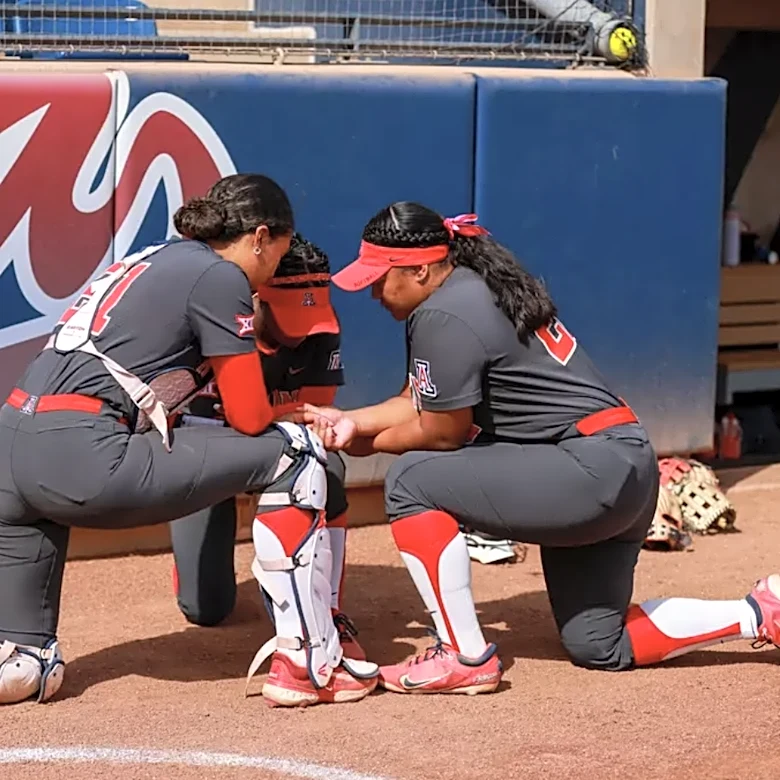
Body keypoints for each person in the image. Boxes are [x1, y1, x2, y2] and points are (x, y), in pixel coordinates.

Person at [302, 200, 780, 695]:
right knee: (599, 644)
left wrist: (362, 442)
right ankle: (758, 612)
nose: (374, 291)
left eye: (381, 277)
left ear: (421, 269)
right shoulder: (468, 288)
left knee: (410, 480)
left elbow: (441, 432)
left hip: (585, 470)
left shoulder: (443, 311)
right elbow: (419, 401)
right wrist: (352, 422)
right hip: (621, 465)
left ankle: (463, 656)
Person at [0, 174, 377, 708]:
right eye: (281, 249)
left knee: (24, 667)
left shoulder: (151, 257)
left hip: (11, 450)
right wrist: (297, 412)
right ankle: (309, 663)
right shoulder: (219, 275)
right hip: (80, 450)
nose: (275, 264)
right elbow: (250, 419)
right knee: (295, 453)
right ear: (261, 236)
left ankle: (25, 655)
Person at [169, 232, 365, 661]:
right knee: (206, 609)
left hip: (276, 447)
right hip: (209, 450)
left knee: (326, 469)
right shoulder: (212, 328)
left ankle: (326, 610)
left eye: (311, 318)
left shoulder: (319, 332)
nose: (302, 334)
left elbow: (314, 420)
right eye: (288, 317)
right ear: (255, 300)